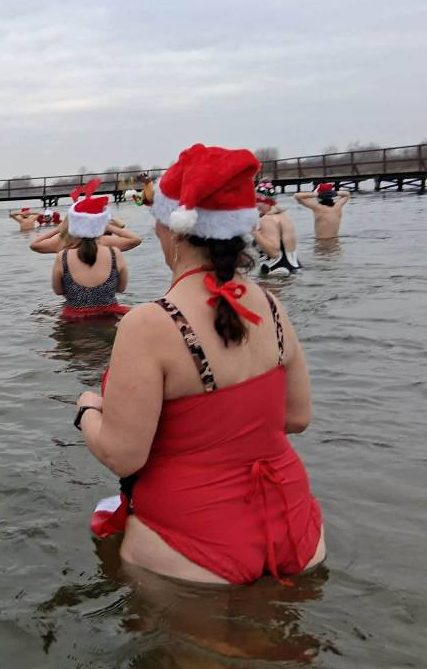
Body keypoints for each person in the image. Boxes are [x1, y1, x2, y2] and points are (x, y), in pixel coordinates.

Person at [77, 143, 325, 585]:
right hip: (296, 528)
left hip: (190, 540)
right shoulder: (270, 305)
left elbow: (122, 455)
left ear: (174, 229)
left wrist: (87, 411)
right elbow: (297, 417)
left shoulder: (150, 323)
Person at [52, 187, 129, 320]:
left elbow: (58, 291)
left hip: (74, 319)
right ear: (101, 225)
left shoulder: (63, 256)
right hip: (109, 317)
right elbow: (121, 289)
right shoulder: (115, 253)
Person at [253, 181, 302, 274]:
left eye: (257, 201)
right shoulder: (283, 215)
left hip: (277, 273)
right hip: (293, 269)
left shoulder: (267, 219)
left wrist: (255, 233)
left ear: (265, 201)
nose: (255, 205)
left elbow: (274, 252)